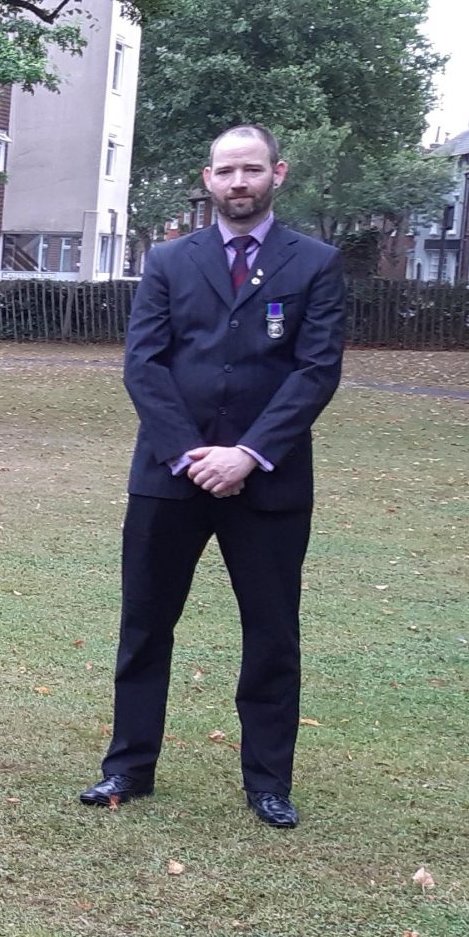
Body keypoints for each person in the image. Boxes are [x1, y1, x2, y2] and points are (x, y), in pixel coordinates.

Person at [82, 124, 345, 829]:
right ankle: (128, 768)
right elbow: (145, 362)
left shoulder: (315, 262)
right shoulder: (169, 260)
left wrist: (247, 454)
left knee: (270, 634)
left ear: (277, 174)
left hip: (269, 481)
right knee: (144, 625)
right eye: (226, 171)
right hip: (170, 476)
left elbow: (316, 371)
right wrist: (191, 453)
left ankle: (268, 781)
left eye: (251, 170)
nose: (238, 183)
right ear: (208, 179)